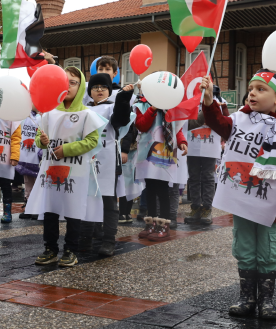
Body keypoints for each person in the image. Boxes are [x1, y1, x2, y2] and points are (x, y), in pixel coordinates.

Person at [202, 70, 276, 320]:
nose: (252, 92)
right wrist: (209, 103)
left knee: (268, 251)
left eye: (261, 89)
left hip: (269, 206)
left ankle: (266, 300)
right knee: (244, 248)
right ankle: (246, 298)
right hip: (242, 201)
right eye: (251, 88)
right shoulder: (239, 121)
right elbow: (218, 123)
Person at [26, 66, 105, 267]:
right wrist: (43, 141)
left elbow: (92, 142)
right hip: (51, 171)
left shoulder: (87, 114)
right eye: (65, 82)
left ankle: (71, 250)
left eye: (73, 82)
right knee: (50, 209)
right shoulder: (48, 113)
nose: (68, 86)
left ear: (80, 87)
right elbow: (38, 141)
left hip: (75, 172)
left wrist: (67, 149)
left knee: (73, 210)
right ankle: (50, 249)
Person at [79, 73, 134, 256]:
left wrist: (123, 99)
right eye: (95, 87)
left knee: (109, 202)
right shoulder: (82, 109)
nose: (99, 90)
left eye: (103, 87)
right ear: (90, 91)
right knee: (87, 199)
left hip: (108, 162)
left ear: (109, 91)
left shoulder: (112, 108)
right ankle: (86, 236)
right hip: (86, 162)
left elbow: (121, 119)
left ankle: (109, 240)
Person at [134, 81, 188, 241]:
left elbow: (175, 127)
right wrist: (152, 108)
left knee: (163, 190)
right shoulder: (141, 105)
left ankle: (164, 225)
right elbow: (141, 125)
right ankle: (150, 223)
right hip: (147, 154)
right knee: (149, 189)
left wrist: (182, 140)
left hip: (165, 154)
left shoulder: (171, 107)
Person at [184, 91, 228, 225]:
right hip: (192, 143)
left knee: (208, 177)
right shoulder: (191, 100)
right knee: (193, 176)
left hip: (210, 144)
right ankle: (195, 207)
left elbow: (225, 120)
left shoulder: (219, 100)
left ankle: (207, 209)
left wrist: (224, 108)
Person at [16, 107, 42, 220]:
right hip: (27, 155)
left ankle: (38, 208)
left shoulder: (46, 116)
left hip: (40, 154)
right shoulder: (24, 115)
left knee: (41, 183)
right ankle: (29, 207)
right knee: (28, 183)